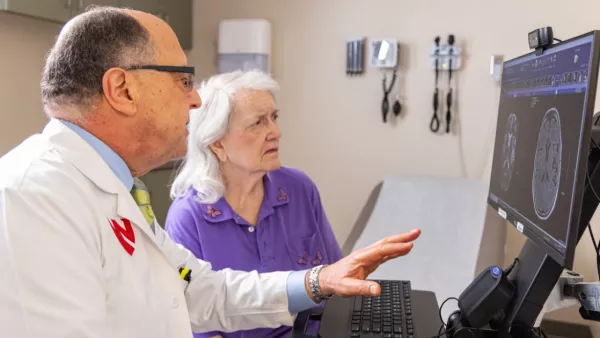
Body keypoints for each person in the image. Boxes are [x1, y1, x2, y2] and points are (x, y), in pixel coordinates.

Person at [0, 6, 422, 338]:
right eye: (183, 81)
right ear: (122, 90)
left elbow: (195, 286)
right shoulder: (33, 198)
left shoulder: (118, 194)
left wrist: (318, 280)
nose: (195, 101)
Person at [165, 70, 344, 338]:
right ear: (217, 143)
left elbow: (334, 278)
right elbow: (195, 324)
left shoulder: (299, 188)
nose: (276, 132)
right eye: (257, 123)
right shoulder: (188, 218)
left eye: (274, 118)